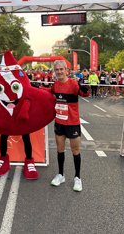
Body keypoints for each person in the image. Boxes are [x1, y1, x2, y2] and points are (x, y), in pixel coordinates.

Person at [50, 60, 89, 192]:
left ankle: (77, 178)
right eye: (57, 70)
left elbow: (84, 93)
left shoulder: (73, 84)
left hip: (72, 123)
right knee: (60, 149)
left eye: (61, 69)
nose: (59, 72)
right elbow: (48, 96)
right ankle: (61, 175)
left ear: (66, 70)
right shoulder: (55, 85)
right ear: (54, 72)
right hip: (59, 123)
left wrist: (84, 87)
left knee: (75, 151)